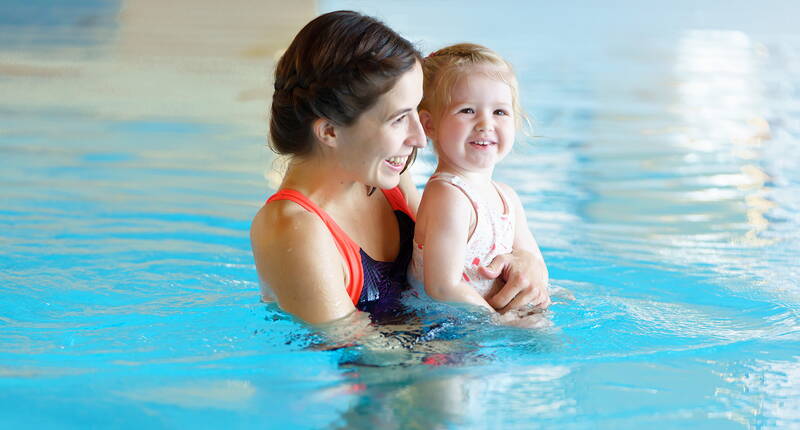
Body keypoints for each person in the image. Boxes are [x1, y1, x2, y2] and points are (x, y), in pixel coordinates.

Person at [250, 11, 550, 325]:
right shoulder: (292, 229)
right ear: (330, 131)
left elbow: (456, 256)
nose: (420, 139)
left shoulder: (388, 177)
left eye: (416, 114)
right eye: (398, 119)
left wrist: (526, 262)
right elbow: (363, 350)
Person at [410, 43, 550, 316]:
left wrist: (535, 292)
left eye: (499, 112)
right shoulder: (448, 195)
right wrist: (498, 322)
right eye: (467, 111)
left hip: (484, 321)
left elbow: (534, 264)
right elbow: (443, 287)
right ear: (429, 125)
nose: (485, 124)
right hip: (443, 329)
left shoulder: (507, 197)